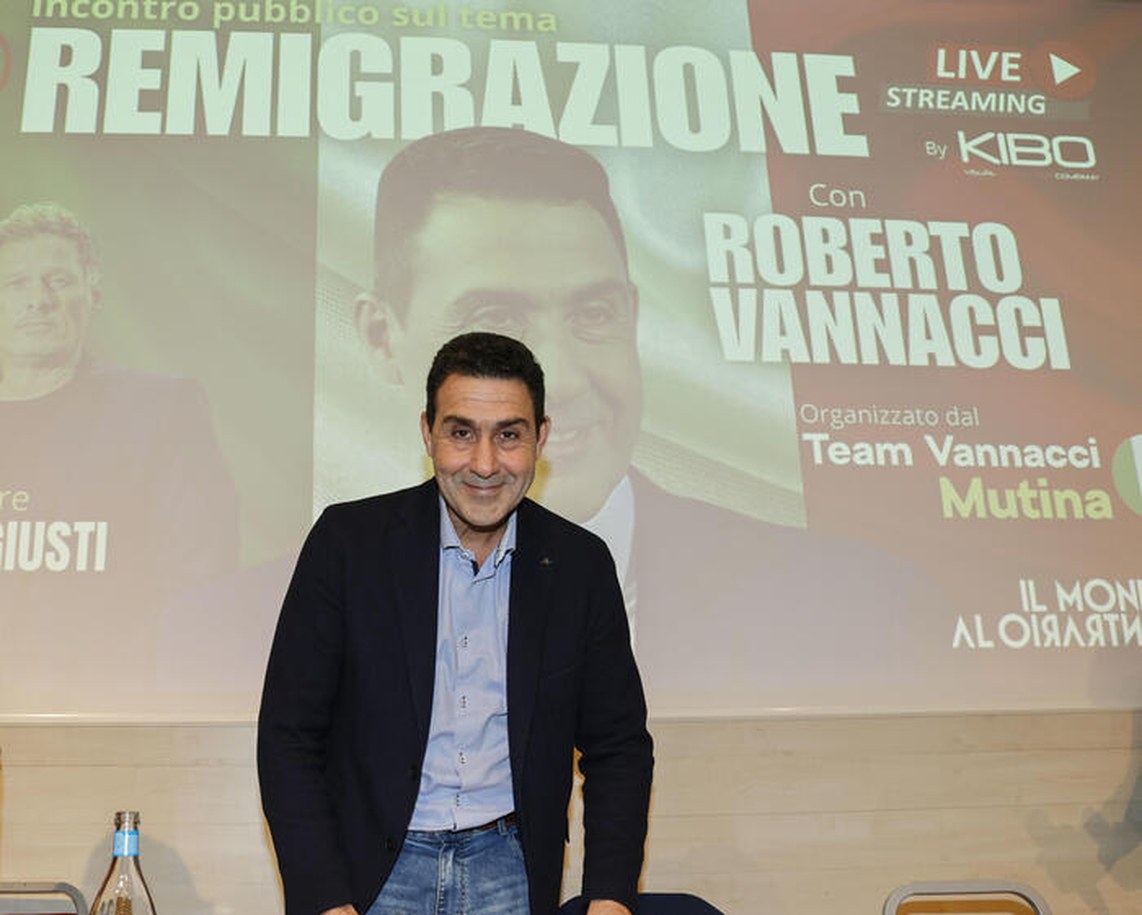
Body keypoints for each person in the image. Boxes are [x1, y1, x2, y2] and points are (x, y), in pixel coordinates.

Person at [347, 127, 946, 713]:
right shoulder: (326, 591)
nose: (564, 380)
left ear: (632, 317)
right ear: (380, 338)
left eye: (593, 313)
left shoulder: (859, 607)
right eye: (496, 323)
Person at [258, 332, 654, 915]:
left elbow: (618, 745)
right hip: (371, 877)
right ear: (428, 433)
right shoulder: (347, 545)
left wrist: (610, 897)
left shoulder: (580, 565)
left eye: (509, 435)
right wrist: (322, 898)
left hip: (512, 872)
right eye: (461, 433)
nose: (485, 464)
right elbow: (289, 735)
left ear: (541, 437)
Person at [0, 202, 240, 713]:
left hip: (115, 718)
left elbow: (200, 582)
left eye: (58, 280)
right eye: (16, 283)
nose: (37, 299)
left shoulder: (161, 410)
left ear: (93, 293)